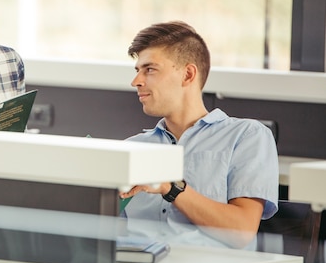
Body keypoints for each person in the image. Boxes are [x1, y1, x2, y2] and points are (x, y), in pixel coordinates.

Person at [119, 21, 278, 249]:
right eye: (137, 71)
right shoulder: (133, 147)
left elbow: (242, 232)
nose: (136, 81)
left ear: (188, 74)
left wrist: (169, 186)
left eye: (150, 69)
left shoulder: (246, 136)